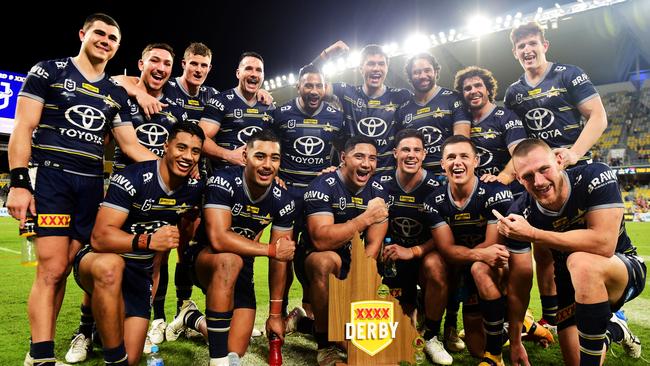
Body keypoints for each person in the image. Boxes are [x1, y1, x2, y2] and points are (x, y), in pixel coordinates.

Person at [6, 13, 158, 365]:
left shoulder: (114, 93)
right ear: (82, 34)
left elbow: (132, 147)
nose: (105, 40)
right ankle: (41, 356)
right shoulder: (49, 71)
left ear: (118, 47)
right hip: (54, 179)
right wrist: (18, 182)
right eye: (99, 34)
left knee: (73, 270)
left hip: (92, 188)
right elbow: (23, 127)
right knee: (52, 269)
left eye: (113, 38)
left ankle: (59, 344)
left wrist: (178, 173)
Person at [497, 138, 645, 366]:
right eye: (527, 176)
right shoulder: (520, 212)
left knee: (580, 261)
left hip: (622, 267)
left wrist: (534, 234)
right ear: (518, 179)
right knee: (574, 359)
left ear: (558, 161)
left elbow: (604, 244)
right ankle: (614, 328)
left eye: (544, 169)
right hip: (569, 286)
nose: (538, 181)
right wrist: (516, 342)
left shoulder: (594, 176)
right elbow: (520, 283)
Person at [72, 121, 204, 365]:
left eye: (195, 151)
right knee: (111, 266)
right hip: (97, 262)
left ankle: (105, 331)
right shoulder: (133, 177)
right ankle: (106, 348)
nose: (188, 156)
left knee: (132, 357)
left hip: (139, 275)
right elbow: (100, 238)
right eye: (181, 148)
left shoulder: (194, 189)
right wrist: (149, 240)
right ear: (166, 147)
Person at [504, 21, 608, 330]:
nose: (527, 50)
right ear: (515, 53)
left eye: (532, 43)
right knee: (544, 250)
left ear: (544, 45)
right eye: (521, 46)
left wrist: (574, 152)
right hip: (539, 179)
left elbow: (598, 116)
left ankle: (613, 311)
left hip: (575, 171)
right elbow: (516, 140)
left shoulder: (569, 74)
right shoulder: (514, 92)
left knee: (592, 242)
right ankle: (552, 316)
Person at [171, 129, 296, 366]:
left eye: (274, 158)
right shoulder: (224, 180)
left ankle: (192, 317)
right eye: (260, 156)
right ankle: (217, 362)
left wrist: (275, 315)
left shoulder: (283, 199)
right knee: (230, 260)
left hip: (243, 267)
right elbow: (219, 238)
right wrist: (269, 250)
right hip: (204, 258)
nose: (267, 164)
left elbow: (281, 258)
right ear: (245, 155)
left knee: (235, 349)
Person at [423, 135, 513, 365]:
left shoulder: (495, 191)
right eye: (450, 157)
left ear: (476, 160)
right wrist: (477, 255)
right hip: (464, 263)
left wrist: (476, 257)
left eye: (464, 156)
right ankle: (432, 334)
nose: (457, 162)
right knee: (475, 349)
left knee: (485, 265)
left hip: (489, 267)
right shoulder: (434, 201)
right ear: (442, 164)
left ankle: (514, 323)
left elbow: (494, 247)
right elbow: (445, 249)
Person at [270, 64, 345, 329]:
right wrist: (274, 172)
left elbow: (345, 150)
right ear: (299, 86)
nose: (314, 91)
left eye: (319, 86)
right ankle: (277, 312)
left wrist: (336, 168)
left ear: (325, 88)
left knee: (313, 253)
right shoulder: (280, 114)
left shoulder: (336, 117)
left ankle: (309, 310)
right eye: (309, 85)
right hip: (288, 192)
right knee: (283, 253)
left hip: (320, 198)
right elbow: (268, 145)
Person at [302, 135, 388, 365]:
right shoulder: (322, 185)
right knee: (325, 261)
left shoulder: (379, 191)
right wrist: (365, 218)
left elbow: (373, 247)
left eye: (372, 158)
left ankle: (304, 324)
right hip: (320, 262)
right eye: (359, 156)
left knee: (371, 352)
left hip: (357, 264)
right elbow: (321, 240)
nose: (366, 164)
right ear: (343, 158)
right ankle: (324, 345)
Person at [375, 129, 452, 365]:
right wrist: (379, 249)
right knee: (396, 334)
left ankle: (431, 335)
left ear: (424, 154)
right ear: (395, 153)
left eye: (416, 150)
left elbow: (445, 234)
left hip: (425, 252)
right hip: (392, 257)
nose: (411, 155)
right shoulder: (381, 183)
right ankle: (413, 304)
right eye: (405, 149)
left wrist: (415, 251)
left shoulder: (437, 185)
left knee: (436, 266)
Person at [312, 42, 412, 173]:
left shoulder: (401, 96)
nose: (376, 68)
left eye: (381, 64)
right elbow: (309, 80)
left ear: (387, 68)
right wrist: (328, 53)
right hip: (354, 177)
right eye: (370, 63)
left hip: (388, 178)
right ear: (361, 68)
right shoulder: (346, 92)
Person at [396, 52, 471, 174]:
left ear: (435, 72)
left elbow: (461, 142)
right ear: (410, 77)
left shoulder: (453, 98)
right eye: (416, 72)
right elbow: (401, 150)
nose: (422, 76)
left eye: (427, 70)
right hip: (416, 178)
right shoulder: (403, 109)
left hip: (447, 175)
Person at [199, 52, 275, 169]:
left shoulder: (269, 106)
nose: (254, 74)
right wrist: (229, 155)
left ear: (263, 76)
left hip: (259, 177)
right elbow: (199, 138)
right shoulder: (220, 101)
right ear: (238, 73)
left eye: (258, 70)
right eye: (248, 68)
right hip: (226, 176)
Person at [453, 66, 526, 181]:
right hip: (476, 189)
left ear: (488, 90)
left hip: (507, 190)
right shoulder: (461, 123)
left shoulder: (507, 116)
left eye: (478, 85)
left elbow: (521, 155)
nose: (473, 91)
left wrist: (501, 178)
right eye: (467, 88)